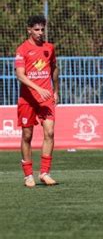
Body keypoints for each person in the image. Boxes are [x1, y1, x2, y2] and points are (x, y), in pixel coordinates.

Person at [15, 15, 59, 187]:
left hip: (46, 99)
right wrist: (38, 88)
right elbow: (20, 74)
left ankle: (45, 173)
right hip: (27, 99)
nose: (40, 33)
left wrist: (55, 90)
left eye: (42, 29)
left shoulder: (49, 48)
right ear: (29, 30)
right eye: (37, 30)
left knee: (50, 132)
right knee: (27, 135)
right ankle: (28, 175)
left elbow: (54, 69)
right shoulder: (22, 49)